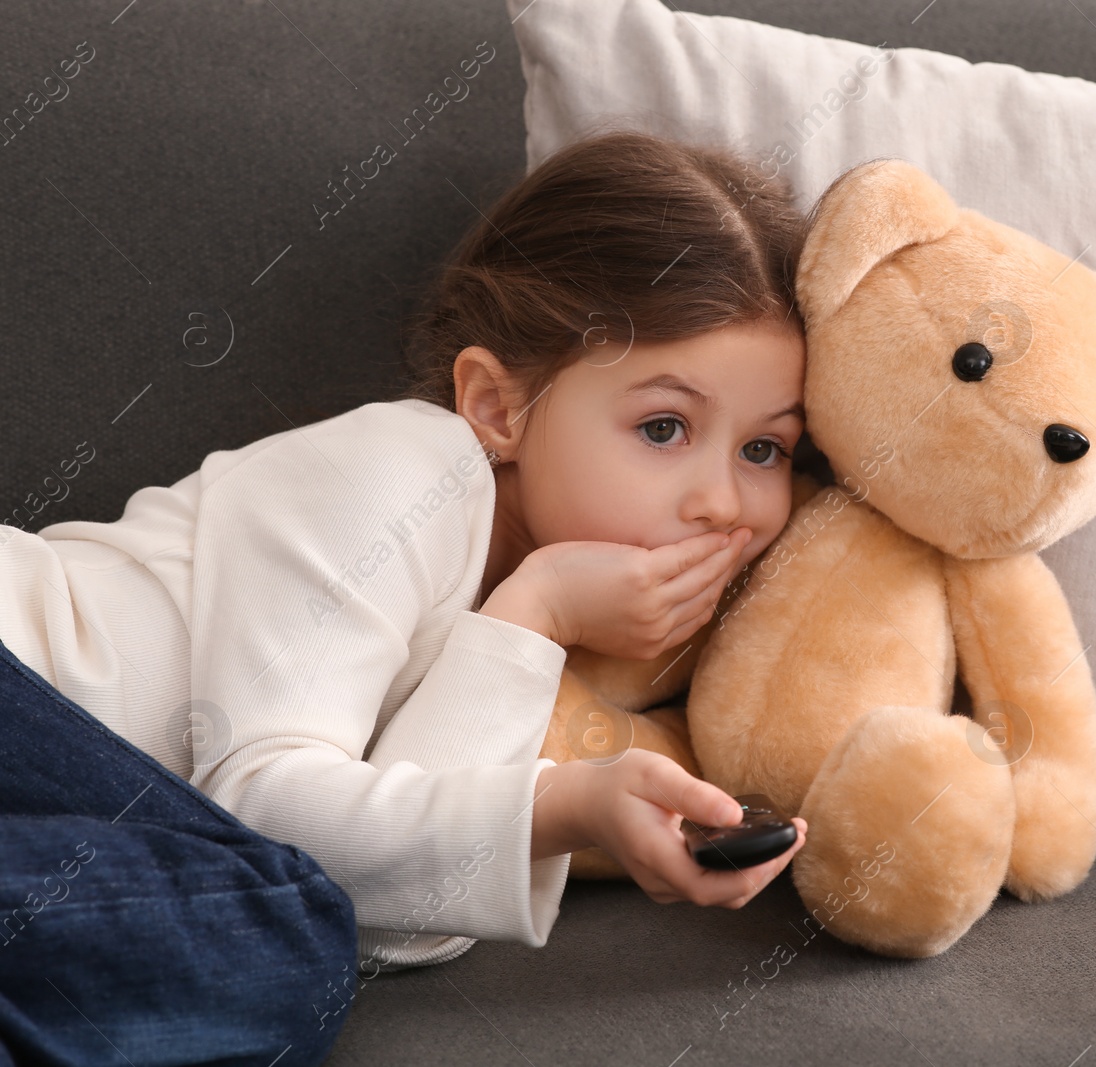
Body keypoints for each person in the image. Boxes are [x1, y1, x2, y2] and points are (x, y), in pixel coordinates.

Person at [0, 126, 812, 1064]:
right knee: (278, 943)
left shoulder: (542, 609)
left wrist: (534, 618)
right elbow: (264, 814)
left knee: (285, 958)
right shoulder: (405, 464)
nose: (722, 500)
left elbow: (392, 923)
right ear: (498, 407)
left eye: (765, 449)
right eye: (664, 425)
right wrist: (565, 796)